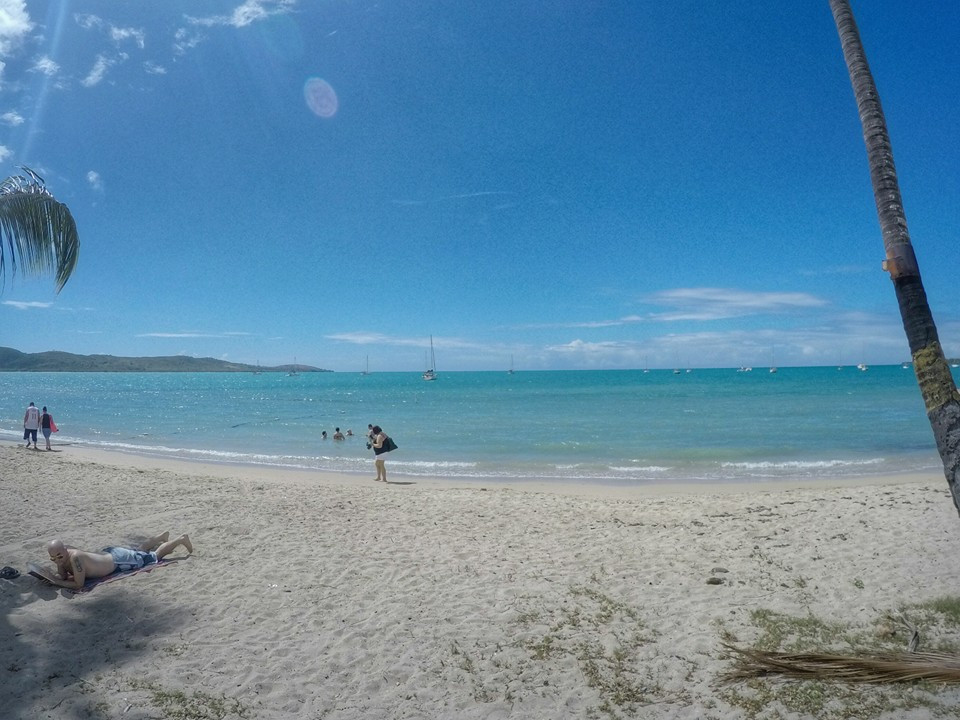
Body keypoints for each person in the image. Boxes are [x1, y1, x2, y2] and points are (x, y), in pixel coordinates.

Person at [43, 531, 193, 590]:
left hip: (118, 560)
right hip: (111, 554)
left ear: (65, 550)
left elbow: (78, 584)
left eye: (59, 556)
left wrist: (55, 581)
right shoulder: (64, 556)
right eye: (53, 558)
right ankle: (161, 537)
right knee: (138, 551)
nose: (57, 560)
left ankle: (181, 539)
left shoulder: (76, 558)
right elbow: (63, 575)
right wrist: (57, 569)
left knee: (154, 557)